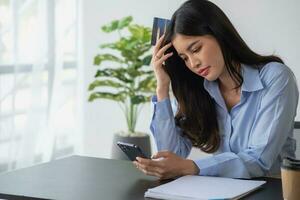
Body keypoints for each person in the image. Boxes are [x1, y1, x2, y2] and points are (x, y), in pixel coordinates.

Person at [133, 0, 299, 179]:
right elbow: (172, 155)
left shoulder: (276, 78)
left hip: (274, 191)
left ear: (219, 34)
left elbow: (259, 160)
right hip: (223, 191)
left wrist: (192, 167)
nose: (193, 63)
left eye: (196, 49)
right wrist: (162, 88)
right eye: (184, 58)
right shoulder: (200, 90)